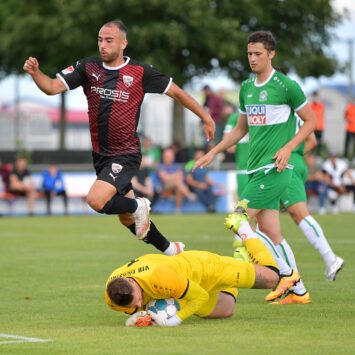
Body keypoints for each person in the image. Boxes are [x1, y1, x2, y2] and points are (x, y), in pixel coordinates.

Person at [23, 19, 215, 256]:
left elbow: (176, 92)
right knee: (128, 220)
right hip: (101, 156)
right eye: (100, 40)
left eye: (109, 40)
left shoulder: (140, 72)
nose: (103, 45)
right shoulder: (88, 67)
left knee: (96, 200)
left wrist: (205, 116)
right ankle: (170, 250)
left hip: (125, 154)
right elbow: (52, 87)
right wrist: (35, 73)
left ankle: (139, 204)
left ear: (123, 43)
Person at [194, 30, 316, 304]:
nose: (252, 58)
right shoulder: (247, 88)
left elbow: (311, 122)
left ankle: (287, 275)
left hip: (275, 170)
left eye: (258, 53)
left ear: (271, 53)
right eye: (249, 53)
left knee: (236, 219)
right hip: (254, 170)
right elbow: (239, 130)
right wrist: (213, 152)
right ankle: (299, 292)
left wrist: (288, 147)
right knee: (271, 233)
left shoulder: (287, 87)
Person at [104, 235, 279, 327]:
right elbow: (137, 307)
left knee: (272, 278)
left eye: (139, 298)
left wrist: (177, 319)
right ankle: (237, 265)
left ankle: (244, 229)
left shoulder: (160, 277)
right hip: (181, 288)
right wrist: (141, 316)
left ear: (133, 282)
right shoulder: (113, 296)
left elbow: (201, 296)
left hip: (206, 269)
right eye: (136, 304)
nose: (141, 303)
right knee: (226, 309)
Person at [280, 124, 344, 283]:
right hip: (295, 161)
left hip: (286, 163)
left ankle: (330, 258)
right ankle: (283, 274)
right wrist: (296, 153)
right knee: (268, 219)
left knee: (299, 214)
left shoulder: (279, 108)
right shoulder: (298, 111)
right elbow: (313, 141)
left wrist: (290, 153)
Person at [155, 147, 196, 213]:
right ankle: (189, 194)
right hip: (164, 187)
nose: (169, 158)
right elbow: (165, 178)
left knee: (178, 186)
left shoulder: (177, 166)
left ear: (173, 157)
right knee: (178, 182)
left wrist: (170, 176)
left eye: (170, 156)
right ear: (164, 157)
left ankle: (177, 211)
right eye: (167, 156)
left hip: (177, 186)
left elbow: (181, 177)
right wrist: (175, 176)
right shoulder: (160, 166)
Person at [223, 111, 249, 198]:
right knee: (244, 198)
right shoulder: (235, 117)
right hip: (244, 165)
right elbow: (229, 145)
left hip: (263, 161)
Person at [185, 149, 219, 213]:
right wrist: (199, 185)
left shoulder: (204, 165)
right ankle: (210, 206)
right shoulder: (190, 164)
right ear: (195, 156)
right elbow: (189, 180)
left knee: (210, 188)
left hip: (203, 185)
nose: (201, 157)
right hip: (193, 186)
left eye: (202, 155)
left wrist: (217, 184)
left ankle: (211, 206)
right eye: (199, 155)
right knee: (199, 191)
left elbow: (206, 178)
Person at [309, 91, 325, 155]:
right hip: (313, 127)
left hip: (320, 127)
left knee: (319, 142)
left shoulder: (321, 106)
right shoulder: (311, 105)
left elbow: (320, 114)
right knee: (312, 142)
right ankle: (311, 155)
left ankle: (318, 155)